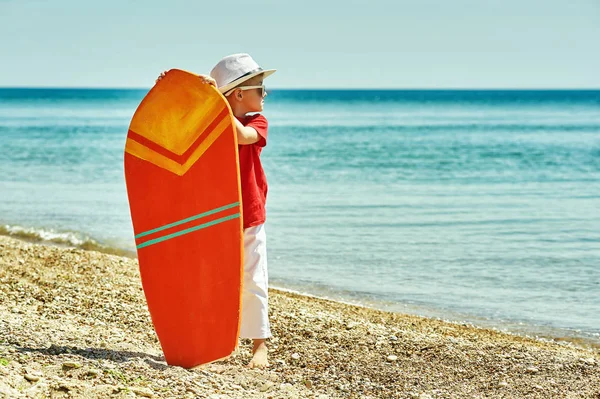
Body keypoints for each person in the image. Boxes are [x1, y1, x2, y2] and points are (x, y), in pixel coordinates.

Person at [157, 53, 275, 368]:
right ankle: (207, 341)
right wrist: (173, 91)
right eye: (260, 88)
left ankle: (259, 347)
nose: (266, 94)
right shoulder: (208, 123)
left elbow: (242, 136)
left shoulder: (255, 122)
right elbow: (173, 131)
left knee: (253, 279)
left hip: (249, 215)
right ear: (238, 93)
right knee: (210, 279)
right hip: (213, 216)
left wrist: (215, 103)